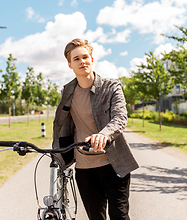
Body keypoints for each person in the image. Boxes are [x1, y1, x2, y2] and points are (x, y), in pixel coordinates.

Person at [52, 38, 139, 220]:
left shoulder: (111, 87)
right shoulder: (67, 93)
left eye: (85, 57)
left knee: (120, 216)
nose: (82, 62)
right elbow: (61, 125)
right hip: (85, 168)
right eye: (76, 59)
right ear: (70, 65)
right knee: (95, 217)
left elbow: (120, 118)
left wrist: (103, 134)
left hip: (115, 164)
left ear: (92, 59)